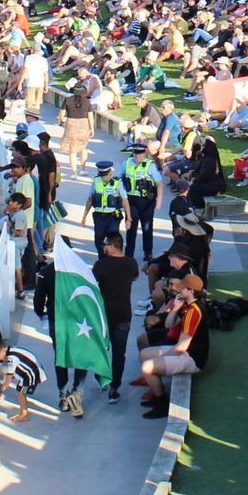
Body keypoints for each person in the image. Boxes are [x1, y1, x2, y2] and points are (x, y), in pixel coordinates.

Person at [134, 273, 208, 416]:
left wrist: (160, 358)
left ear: (191, 291)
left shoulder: (194, 311)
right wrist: (175, 308)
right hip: (186, 351)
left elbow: (181, 347)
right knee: (144, 354)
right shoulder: (187, 304)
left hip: (193, 358)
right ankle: (157, 393)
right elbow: (168, 325)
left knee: (147, 366)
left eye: (183, 288)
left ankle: (162, 404)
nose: (179, 290)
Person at [92, 231, 141, 404]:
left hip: (103, 315)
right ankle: (115, 387)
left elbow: (92, 284)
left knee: (101, 349)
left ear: (113, 246)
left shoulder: (100, 265)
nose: (103, 247)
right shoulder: (131, 263)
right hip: (123, 314)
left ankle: (102, 379)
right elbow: (135, 277)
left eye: (105, 245)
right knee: (119, 353)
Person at [0, 333, 45, 424]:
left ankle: (24, 414)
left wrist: (4, 386)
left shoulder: (11, 358)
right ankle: (24, 411)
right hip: (32, 371)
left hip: (30, 376)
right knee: (20, 392)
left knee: (20, 393)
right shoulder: (12, 350)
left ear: (2, 351)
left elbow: (9, 375)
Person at [122, 138, 164, 259]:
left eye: (139, 155)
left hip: (146, 200)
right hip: (131, 200)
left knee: (147, 227)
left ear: (144, 154)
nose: (137, 158)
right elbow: (120, 180)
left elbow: (159, 183)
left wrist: (159, 201)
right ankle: (129, 254)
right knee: (130, 227)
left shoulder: (150, 166)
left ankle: (148, 252)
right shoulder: (127, 163)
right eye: (135, 155)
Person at [85, 159, 133, 255]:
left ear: (110, 172)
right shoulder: (96, 182)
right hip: (99, 216)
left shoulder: (117, 183)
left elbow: (125, 200)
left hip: (113, 216)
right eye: (102, 175)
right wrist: (84, 216)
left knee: (113, 239)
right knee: (98, 240)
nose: (104, 178)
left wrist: (129, 218)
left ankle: (114, 257)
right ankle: (102, 257)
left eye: (106, 175)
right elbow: (90, 199)